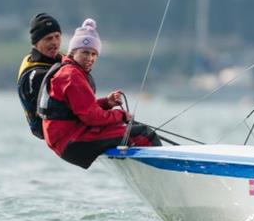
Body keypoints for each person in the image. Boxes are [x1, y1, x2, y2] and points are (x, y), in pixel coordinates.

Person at [39, 18, 161, 169]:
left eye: (94, 54)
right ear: (73, 52)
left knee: (133, 130)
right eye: (85, 52)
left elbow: (78, 109)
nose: (90, 58)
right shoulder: (72, 76)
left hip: (68, 138)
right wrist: (121, 115)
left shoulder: (69, 71)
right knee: (143, 134)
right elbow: (91, 117)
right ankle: (167, 179)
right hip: (71, 142)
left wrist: (106, 103)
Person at [17, 13, 63, 139]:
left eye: (57, 37)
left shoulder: (57, 60)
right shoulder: (34, 75)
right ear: (36, 43)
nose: (54, 42)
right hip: (48, 130)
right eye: (48, 39)